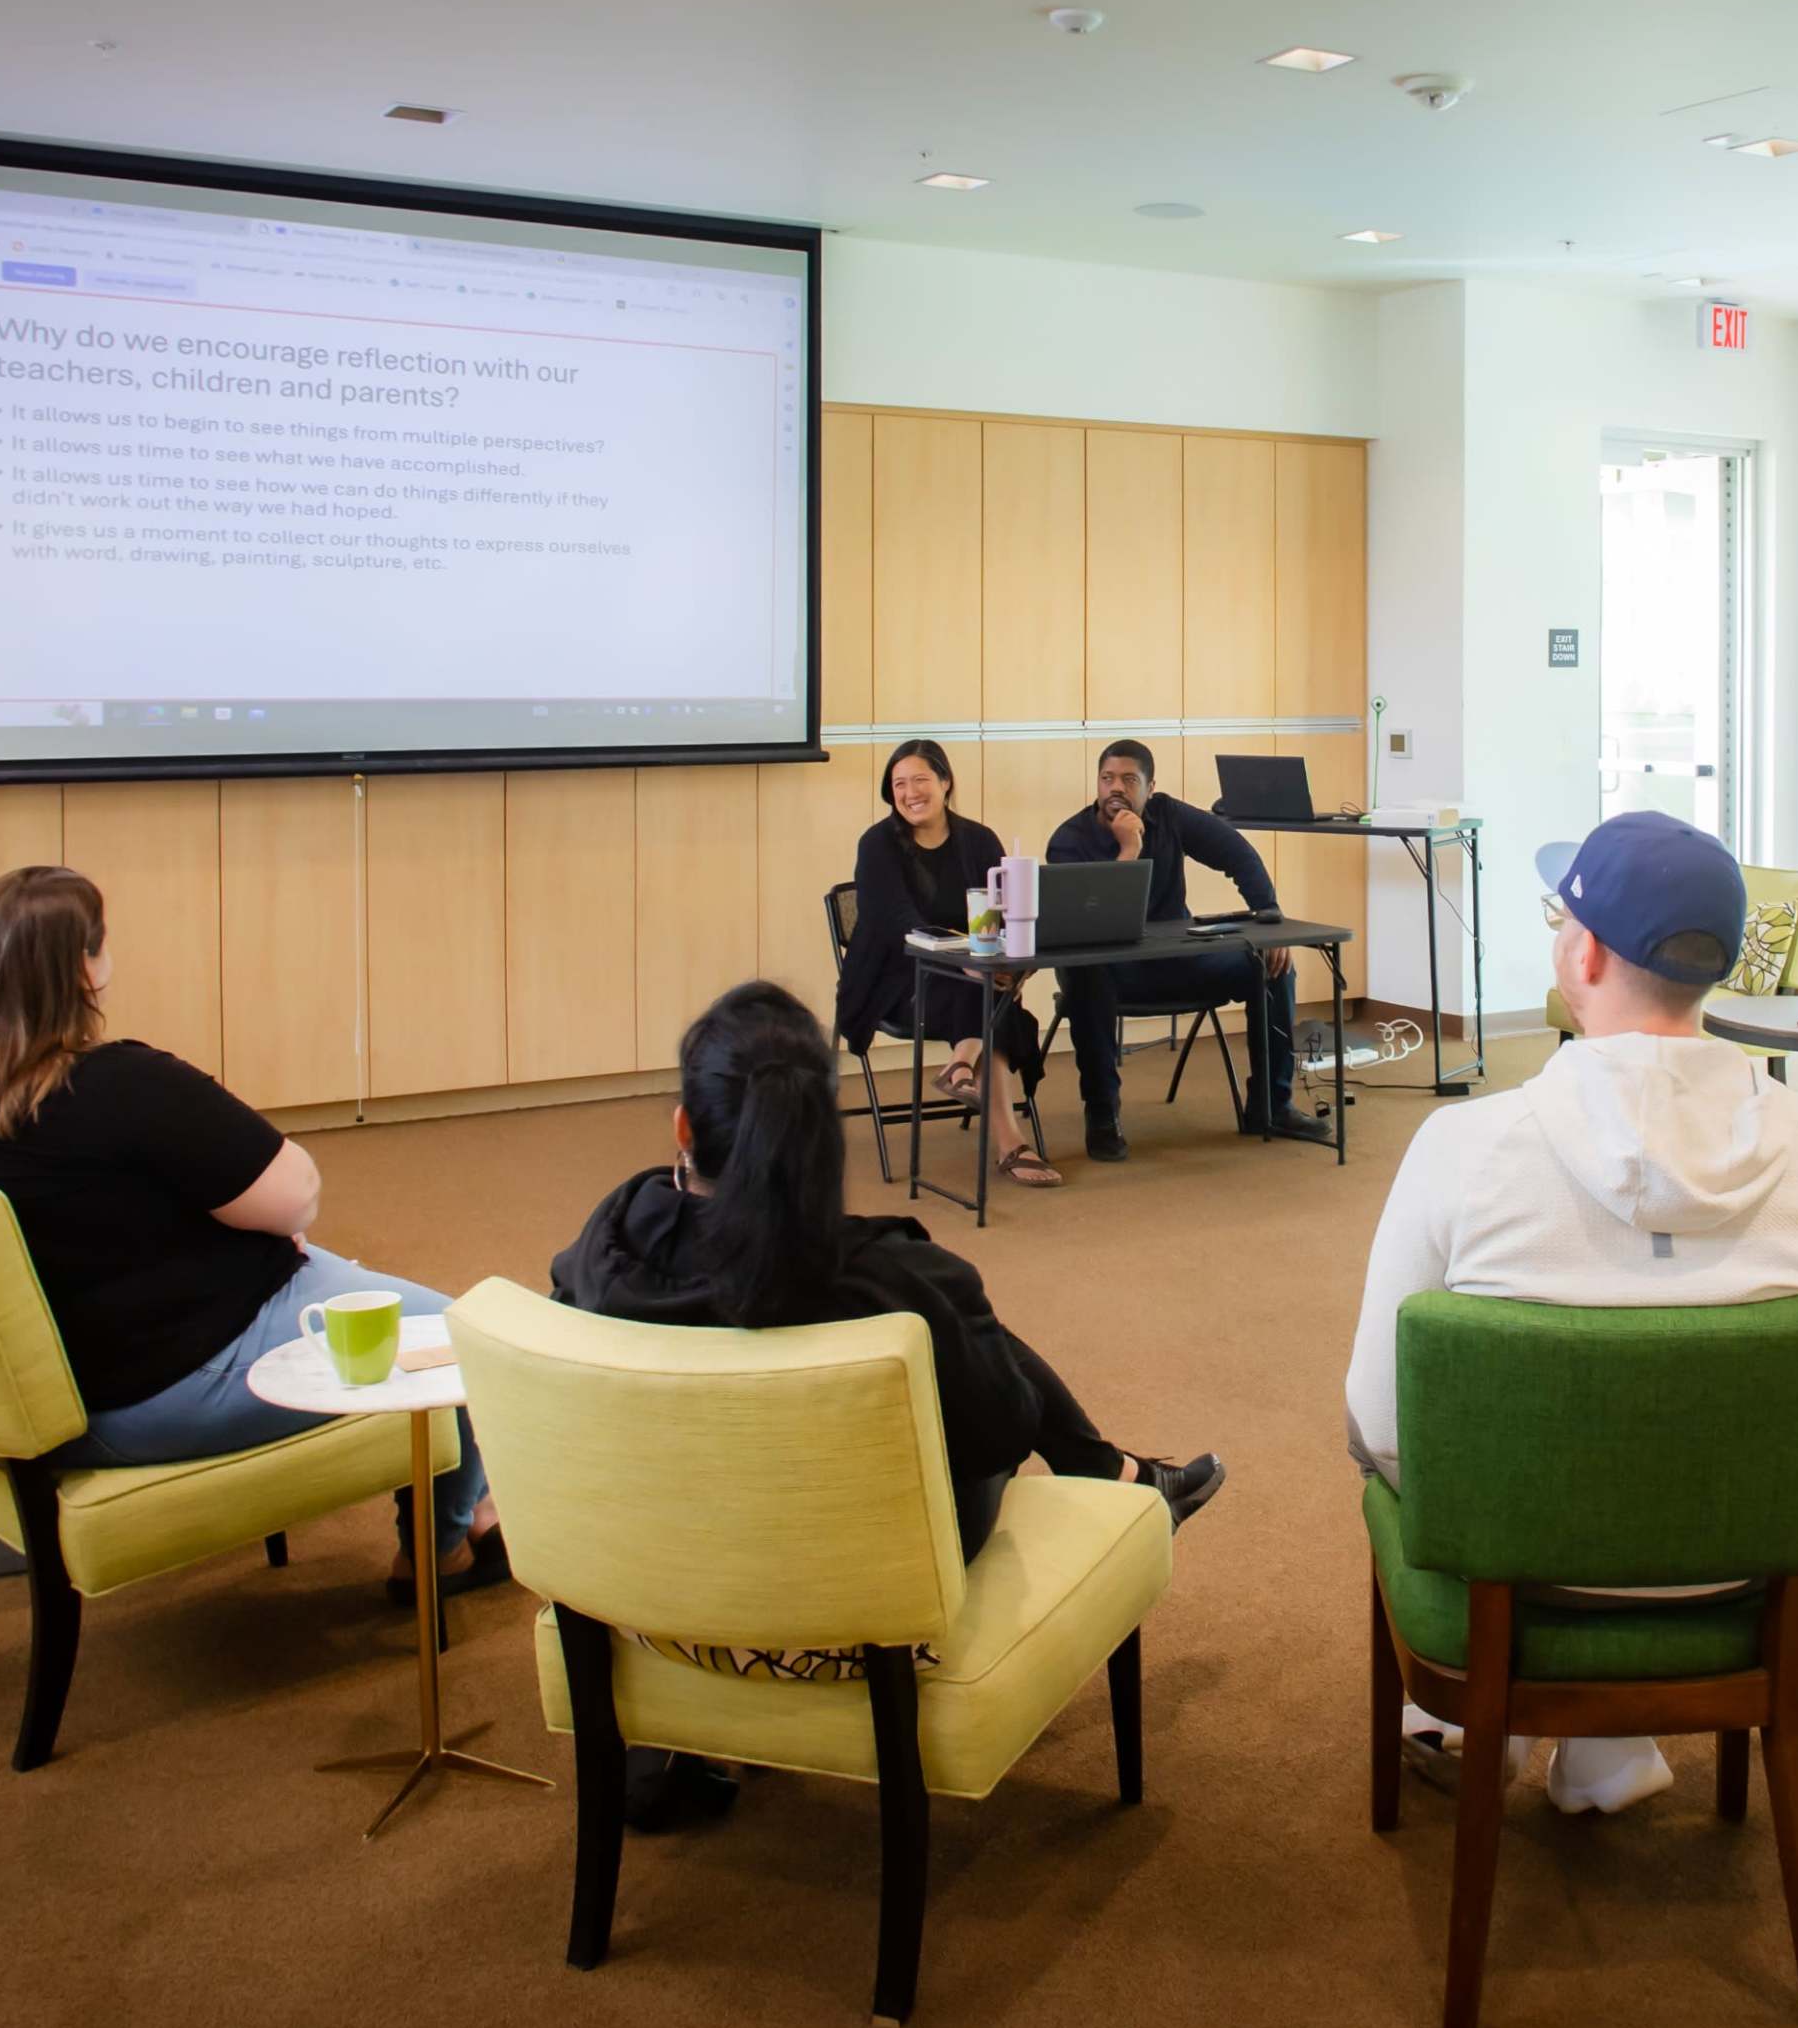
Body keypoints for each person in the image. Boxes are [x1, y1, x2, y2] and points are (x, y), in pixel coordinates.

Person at [547, 980, 1228, 1827]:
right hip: (844, 1623)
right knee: (966, 1362)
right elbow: (1003, 1430)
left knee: (950, 1340)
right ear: (819, 1137)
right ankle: (1119, 1472)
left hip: (651, 1603)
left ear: (685, 1128)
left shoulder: (606, 1246)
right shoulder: (893, 1280)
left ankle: (661, 1743)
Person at [1346, 812, 1798, 1817]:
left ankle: (1508, 1714)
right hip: (1748, 1580)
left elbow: (1380, 1423)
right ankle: (1607, 1744)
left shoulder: (1463, 1147)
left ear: (1583, 951)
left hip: (1521, 1574)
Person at [0, 867, 492, 1600]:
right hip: (159, 1387)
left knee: (366, 1292)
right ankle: (445, 1545)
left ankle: (472, 1521)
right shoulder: (118, 1084)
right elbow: (295, 1196)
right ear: (83, 969)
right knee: (464, 1336)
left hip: (14, 1406)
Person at [1043, 738, 1328, 1158]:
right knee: (1089, 977)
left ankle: (1271, 1107)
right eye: (1106, 779)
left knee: (1271, 966)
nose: (1115, 789)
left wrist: (1269, 918)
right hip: (1105, 969)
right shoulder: (1069, 839)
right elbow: (1098, 923)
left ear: (1150, 787)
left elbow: (1238, 853)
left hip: (1172, 959)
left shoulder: (1169, 815)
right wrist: (1130, 849)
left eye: (1128, 780)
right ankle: (1103, 1116)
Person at [829, 739, 1060, 1188]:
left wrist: (1012, 960)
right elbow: (899, 923)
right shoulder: (877, 845)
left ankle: (962, 1066)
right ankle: (1009, 1141)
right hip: (894, 978)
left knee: (989, 991)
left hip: (973, 975)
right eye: (899, 784)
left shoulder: (978, 839)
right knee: (986, 999)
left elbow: (1004, 911)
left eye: (920, 780)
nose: (910, 792)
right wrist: (967, 963)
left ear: (945, 782)